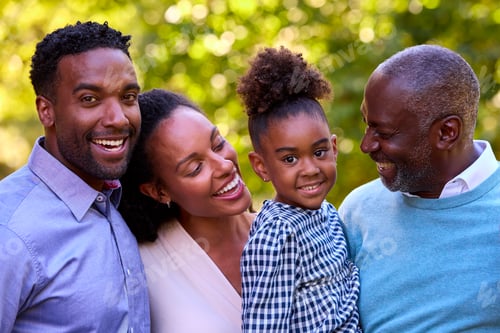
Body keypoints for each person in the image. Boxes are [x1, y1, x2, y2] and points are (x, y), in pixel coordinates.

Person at [0, 21, 150, 332]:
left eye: (128, 97)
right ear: (46, 111)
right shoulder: (10, 231)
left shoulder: (123, 200)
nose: (118, 119)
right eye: (89, 99)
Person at [339, 44, 500, 332]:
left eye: (384, 133)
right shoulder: (357, 211)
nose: (366, 145)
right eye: (366, 125)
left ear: (447, 133)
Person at [237, 46, 362, 332]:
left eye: (319, 152)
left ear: (333, 148)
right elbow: (264, 326)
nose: (310, 169)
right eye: (290, 159)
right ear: (261, 167)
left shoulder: (329, 214)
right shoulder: (277, 233)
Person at [118, 88, 255, 333]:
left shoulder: (291, 230)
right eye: (195, 168)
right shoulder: (143, 269)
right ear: (158, 191)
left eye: (218, 143)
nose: (224, 165)